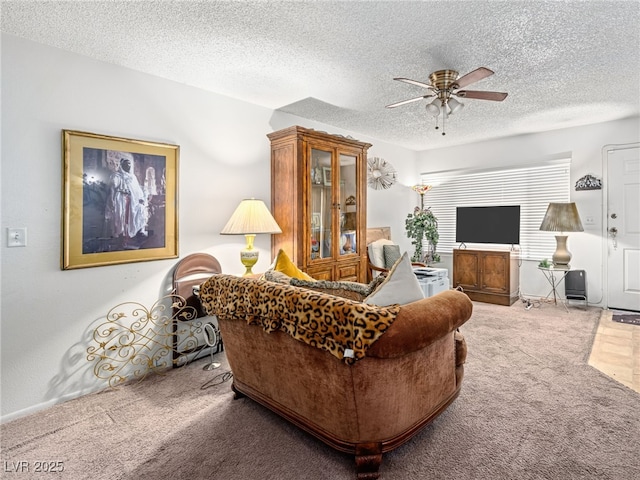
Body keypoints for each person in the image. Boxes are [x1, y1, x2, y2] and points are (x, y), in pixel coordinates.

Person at [105, 152, 148, 243]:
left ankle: (131, 234)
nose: (128, 166)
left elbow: (137, 189)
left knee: (135, 214)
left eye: (129, 165)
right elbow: (113, 188)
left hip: (132, 200)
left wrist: (141, 198)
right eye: (126, 164)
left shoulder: (133, 177)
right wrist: (112, 199)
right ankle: (121, 236)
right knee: (121, 216)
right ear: (122, 165)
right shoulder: (116, 176)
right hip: (121, 199)